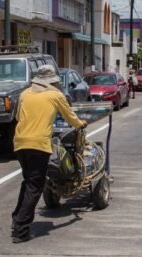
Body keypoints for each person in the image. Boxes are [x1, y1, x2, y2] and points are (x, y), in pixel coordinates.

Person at [11, 64, 87, 243]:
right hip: (39, 144)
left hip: (20, 143)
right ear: (53, 81)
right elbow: (70, 117)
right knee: (35, 186)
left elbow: (17, 118)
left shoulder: (25, 94)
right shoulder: (55, 95)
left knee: (28, 181)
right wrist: (81, 124)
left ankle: (17, 218)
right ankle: (21, 229)